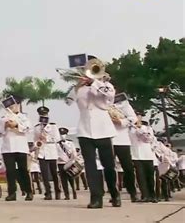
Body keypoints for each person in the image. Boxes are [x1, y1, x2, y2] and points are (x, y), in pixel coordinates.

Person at [66, 64, 121, 209]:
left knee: (108, 166)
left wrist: (94, 83)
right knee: (90, 166)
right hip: (85, 130)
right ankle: (96, 197)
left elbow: (109, 97)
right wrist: (77, 86)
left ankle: (115, 194)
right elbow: (68, 101)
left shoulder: (106, 85)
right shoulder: (80, 88)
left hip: (103, 130)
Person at [0, 96, 33, 201]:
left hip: (21, 147)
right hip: (8, 148)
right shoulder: (4, 118)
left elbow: (28, 129)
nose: (14, 107)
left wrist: (16, 125)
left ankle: (28, 191)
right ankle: (12, 193)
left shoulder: (24, 117)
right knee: (10, 171)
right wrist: (5, 125)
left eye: (16, 105)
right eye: (11, 106)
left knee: (23, 170)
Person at [110, 93, 138, 202]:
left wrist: (121, 122)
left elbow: (133, 118)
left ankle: (133, 192)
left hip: (122, 139)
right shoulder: (101, 102)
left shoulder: (123, 102)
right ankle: (114, 194)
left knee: (128, 168)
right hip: (107, 138)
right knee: (110, 168)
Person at [33, 106, 61, 200]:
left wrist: (47, 138)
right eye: (41, 114)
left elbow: (57, 138)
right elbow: (35, 140)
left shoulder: (53, 126)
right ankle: (48, 192)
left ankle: (58, 191)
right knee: (44, 174)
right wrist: (37, 143)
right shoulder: (37, 127)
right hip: (42, 151)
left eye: (44, 114)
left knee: (54, 173)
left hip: (51, 150)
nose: (43, 116)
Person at [130, 119, 157, 203]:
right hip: (136, 156)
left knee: (150, 176)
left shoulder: (147, 128)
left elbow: (148, 139)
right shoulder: (130, 129)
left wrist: (140, 128)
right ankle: (144, 195)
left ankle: (152, 195)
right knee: (140, 177)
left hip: (147, 155)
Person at [57, 127, 78, 200]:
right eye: (61, 134)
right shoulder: (57, 144)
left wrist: (73, 160)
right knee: (63, 180)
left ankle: (74, 192)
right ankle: (67, 195)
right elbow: (56, 153)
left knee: (71, 179)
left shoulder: (70, 143)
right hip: (61, 163)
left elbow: (74, 152)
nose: (62, 135)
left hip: (69, 163)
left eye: (64, 134)